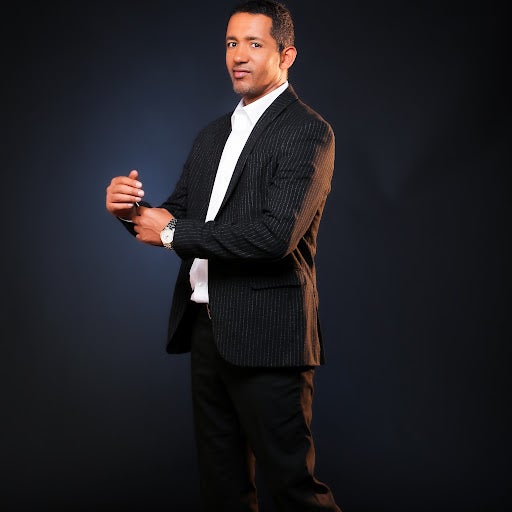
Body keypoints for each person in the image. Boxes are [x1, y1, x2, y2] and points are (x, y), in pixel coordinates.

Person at [105, 1, 340, 510]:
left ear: (286, 55)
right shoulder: (213, 135)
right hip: (206, 331)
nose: (239, 55)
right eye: (232, 43)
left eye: (255, 44)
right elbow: (176, 217)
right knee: (222, 489)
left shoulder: (308, 132)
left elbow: (274, 236)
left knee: (293, 490)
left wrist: (171, 231)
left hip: (269, 334)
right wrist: (129, 211)